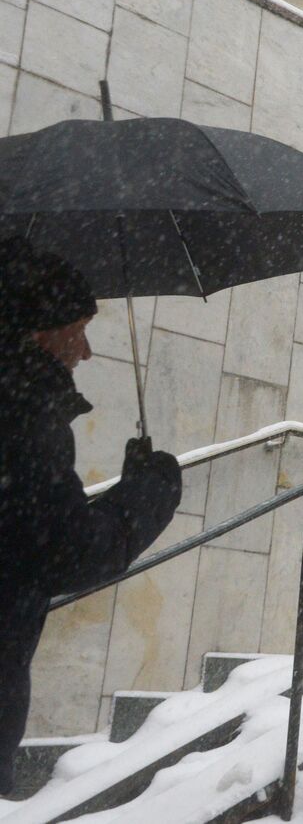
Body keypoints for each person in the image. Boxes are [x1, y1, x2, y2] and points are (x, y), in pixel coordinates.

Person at [0, 238, 182, 795]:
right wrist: (147, 496)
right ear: (36, 332)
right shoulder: (24, 415)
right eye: (76, 330)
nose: (86, 351)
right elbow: (66, 551)